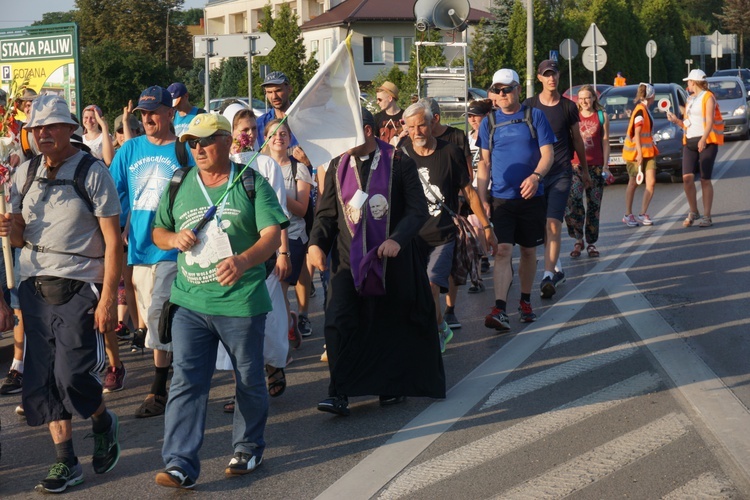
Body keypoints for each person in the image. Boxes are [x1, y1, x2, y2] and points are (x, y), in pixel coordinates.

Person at [152, 113, 288, 488]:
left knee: (247, 377)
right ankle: (180, 462)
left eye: (206, 141)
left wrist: (244, 260)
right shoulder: (179, 183)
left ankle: (248, 447)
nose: (198, 149)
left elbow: (272, 234)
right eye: (192, 142)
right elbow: (159, 230)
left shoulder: (250, 184)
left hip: (240, 302)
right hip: (190, 302)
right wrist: (172, 239)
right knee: (186, 381)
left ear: (228, 142)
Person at [4, 95, 122, 493]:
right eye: (37, 128)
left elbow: (113, 243)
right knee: (42, 379)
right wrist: (11, 227)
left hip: (78, 285)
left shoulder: (93, 172)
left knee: (72, 375)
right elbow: (20, 238)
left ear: (70, 129)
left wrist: (107, 300)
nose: (43, 134)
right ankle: (65, 461)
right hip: (33, 285)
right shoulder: (25, 173)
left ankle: (103, 420)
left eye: (52, 126)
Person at [308, 108, 446, 416]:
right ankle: (339, 390)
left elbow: (417, 211)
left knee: (388, 321)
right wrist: (316, 243)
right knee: (337, 319)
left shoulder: (399, 162)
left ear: (368, 132)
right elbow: (327, 214)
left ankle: (390, 385)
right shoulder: (336, 166)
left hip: (389, 258)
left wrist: (397, 238)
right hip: (347, 259)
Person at [110, 85, 194, 418]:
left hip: (171, 248)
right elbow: (111, 194)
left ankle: (158, 389)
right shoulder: (129, 151)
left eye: (153, 112)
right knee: (149, 316)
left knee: (159, 315)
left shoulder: (183, 150)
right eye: (143, 113)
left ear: (170, 113)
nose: (147, 119)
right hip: (137, 249)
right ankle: (181, 370)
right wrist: (114, 230)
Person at [402, 100, 496, 352]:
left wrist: (487, 228)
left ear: (432, 123)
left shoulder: (450, 152)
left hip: (441, 235)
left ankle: (435, 333)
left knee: (432, 286)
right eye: (411, 127)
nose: (416, 132)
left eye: (421, 125)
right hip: (410, 238)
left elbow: (469, 192)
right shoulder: (400, 153)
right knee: (414, 291)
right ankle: (439, 325)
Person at [476, 69, 555, 332]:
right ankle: (500, 308)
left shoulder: (535, 116)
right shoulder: (489, 121)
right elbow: (484, 164)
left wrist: (535, 177)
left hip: (532, 197)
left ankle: (524, 301)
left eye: (507, 89)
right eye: (497, 90)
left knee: (529, 251)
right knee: (502, 251)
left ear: (518, 89)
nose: (502, 94)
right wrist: (482, 198)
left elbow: (548, 155)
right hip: (502, 200)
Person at [525, 59, 590, 299]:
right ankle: (557, 267)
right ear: (540, 78)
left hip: (561, 171)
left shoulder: (568, 107)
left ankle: (547, 275)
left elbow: (577, 140)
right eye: (547, 74)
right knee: (542, 224)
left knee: (553, 223)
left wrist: (583, 170)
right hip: (536, 175)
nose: (552, 78)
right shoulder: (529, 105)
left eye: (554, 74)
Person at [261, 119, 315, 344]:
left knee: (279, 290)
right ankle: (288, 323)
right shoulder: (259, 165)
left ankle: (280, 345)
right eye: (273, 134)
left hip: (292, 235)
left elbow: (302, 209)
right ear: (266, 138)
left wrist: (277, 193)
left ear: (289, 138)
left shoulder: (298, 167)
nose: (278, 137)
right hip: (264, 236)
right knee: (269, 292)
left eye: (283, 133)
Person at [667, 69, 723, 228]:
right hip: (690, 141)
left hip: (706, 142)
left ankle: (707, 216)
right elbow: (688, 122)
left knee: (705, 179)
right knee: (687, 178)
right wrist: (676, 120)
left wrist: (704, 139)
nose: (687, 84)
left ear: (695, 82)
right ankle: (693, 210)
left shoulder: (708, 97)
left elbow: (710, 120)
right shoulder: (690, 99)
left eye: (689, 82)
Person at [565, 85, 611, 258]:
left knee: (594, 206)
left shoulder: (601, 116)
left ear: (594, 98)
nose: (584, 101)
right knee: (573, 202)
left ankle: (591, 242)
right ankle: (578, 238)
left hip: (596, 166)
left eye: (588, 97)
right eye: (581, 98)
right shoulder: (573, 117)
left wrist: (606, 165)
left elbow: (605, 141)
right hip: (575, 166)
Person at [622, 83, 658, 227]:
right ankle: (628, 214)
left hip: (649, 152)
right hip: (636, 154)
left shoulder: (645, 109)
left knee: (651, 182)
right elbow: (636, 133)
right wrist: (639, 153)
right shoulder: (640, 111)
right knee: (633, 183)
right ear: (652, 95)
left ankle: (642, 213)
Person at [256, 71, 297, 146]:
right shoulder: (260, 124)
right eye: (269, 92)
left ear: (289, 89)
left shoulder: (304, 118)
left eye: (278, 90)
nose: (274, 96)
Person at [374, 81, 404, 145]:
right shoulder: (377, 117)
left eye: (380, 99)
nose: (377, 102)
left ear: (390, 98)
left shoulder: (405, 116)